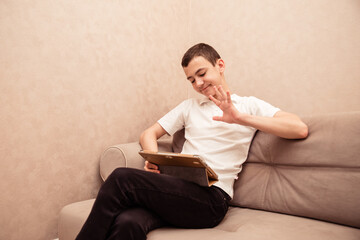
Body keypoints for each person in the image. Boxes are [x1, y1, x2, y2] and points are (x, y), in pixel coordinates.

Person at [76, 43, 308, 240]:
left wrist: (239, 118)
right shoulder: (190, 107)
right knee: (128, 222)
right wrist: (153, 158)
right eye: (191, 79)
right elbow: (148, 134)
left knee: (120, 178)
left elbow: (299, 128)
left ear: (220, 65)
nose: (198, 83)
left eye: (202, 73)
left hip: (211, 200)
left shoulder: (248, 105)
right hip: (178, 189)